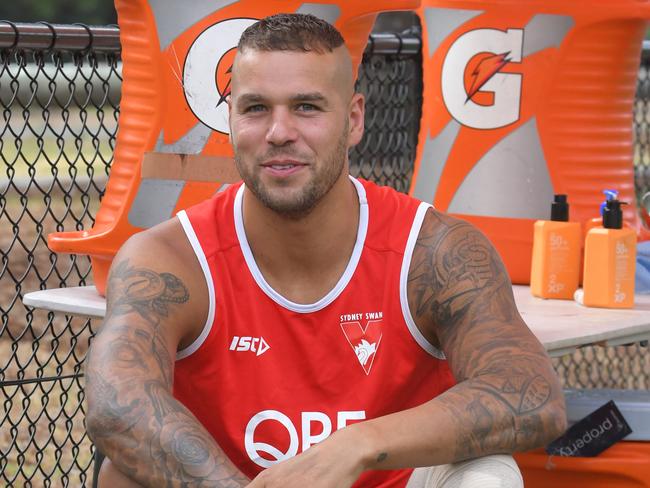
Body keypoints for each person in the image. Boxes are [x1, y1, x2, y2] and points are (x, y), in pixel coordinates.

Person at [85, 13, 567, 488]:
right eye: (255, 108)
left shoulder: (433, 249)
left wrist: (354, 445)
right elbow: (116, 404)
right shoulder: (171, 257)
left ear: (354, 119)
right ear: (229, 117)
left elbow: (530, 395)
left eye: (307, 107)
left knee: (490, 476)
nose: (279, 132)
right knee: (122, 476)